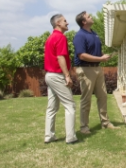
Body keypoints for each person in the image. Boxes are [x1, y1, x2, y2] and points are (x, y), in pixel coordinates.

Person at [73, 11, 118, 134]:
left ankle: (105, 122)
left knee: (103, 96)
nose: (91, 17)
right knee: (86, 99)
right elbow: (82, 55)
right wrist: (101, 59)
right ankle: (84, 127)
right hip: (86, 69)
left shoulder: (94, 34)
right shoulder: (80, 36)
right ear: (84, 22)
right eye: (88, 16)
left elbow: (95, 53)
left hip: (97, 68)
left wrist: (103, 56)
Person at [44, 14, 78, 144]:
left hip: (49, 76)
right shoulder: (60, 37)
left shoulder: (50, 38)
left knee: (52, 107)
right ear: (58, 23)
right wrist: (67, 76)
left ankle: (49, 136)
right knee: (70, 105)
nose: (67, 23)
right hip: (57, 76)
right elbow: (60, 57)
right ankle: (71, 137)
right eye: (65, 21)